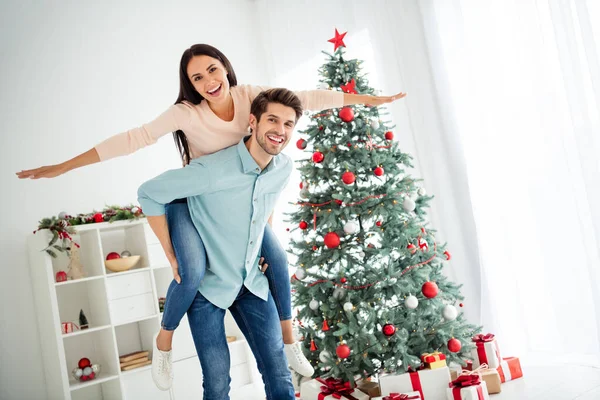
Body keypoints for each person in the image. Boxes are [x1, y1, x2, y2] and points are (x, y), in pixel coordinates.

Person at [16, 44, 407, 386]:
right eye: (197, 77)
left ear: (226, 68)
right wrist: (64, 167)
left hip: (236, 203)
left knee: (279, 260)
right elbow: (134, 139)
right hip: (191, 200)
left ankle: (290, 343)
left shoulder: (251, 96)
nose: (208, 81)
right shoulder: (188, 113)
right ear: (191, 84)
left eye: (213, 70)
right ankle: (164, 344)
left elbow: (305, 99)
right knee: (190, 273)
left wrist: (370, 101)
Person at [138, 88, 301, 399]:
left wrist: (260, 245)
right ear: (252, 122)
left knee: (279, 376)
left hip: (252, 283)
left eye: (288, 124)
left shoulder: (283, 168)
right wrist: (170, 253)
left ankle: (291, 340)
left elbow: (265, 206)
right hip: (208, 290)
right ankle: (163, 343)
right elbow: (148, 192)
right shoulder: (211, 171)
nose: (280, 131)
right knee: (217, 384)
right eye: (273, 120)